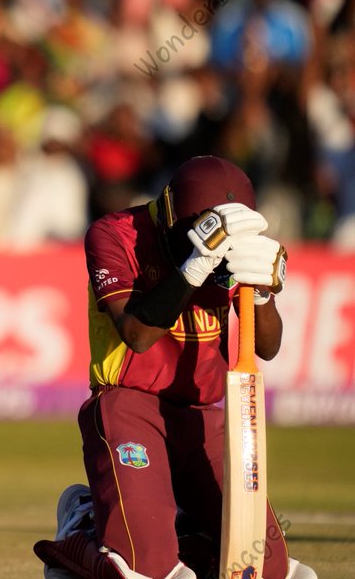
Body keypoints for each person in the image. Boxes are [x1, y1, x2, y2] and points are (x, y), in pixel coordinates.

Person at [32, 156, 317, 579]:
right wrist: (196, 264)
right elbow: (137, 334)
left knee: (265, 570)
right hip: (128, 404)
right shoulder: (115, 233)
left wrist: (263, 294)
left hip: (203, 416)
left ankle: (174, 527)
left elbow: (268, 347)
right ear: (168, 211)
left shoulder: (237, 244)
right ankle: (85, 529)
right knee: (151, 571)